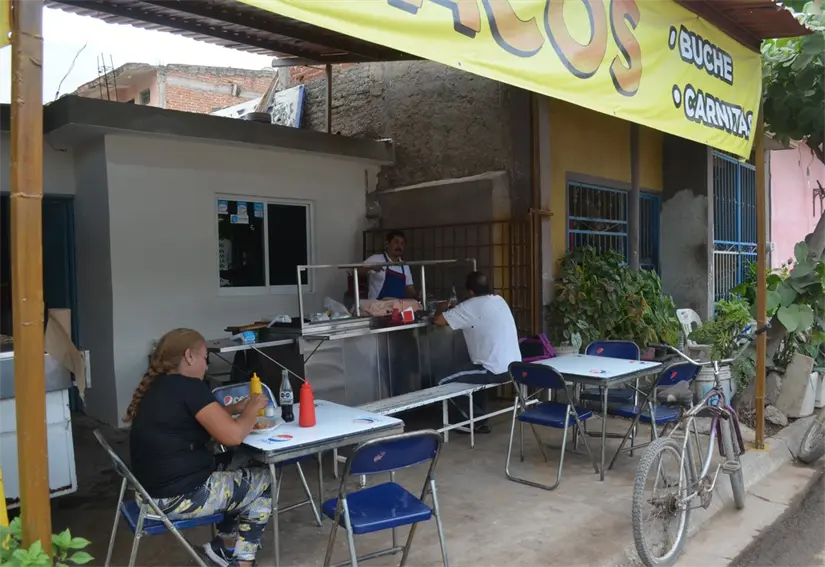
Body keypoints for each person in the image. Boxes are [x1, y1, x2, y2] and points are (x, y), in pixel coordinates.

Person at [125, 328, 271, 567]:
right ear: (189, 356)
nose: (206, 365)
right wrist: (252, 408)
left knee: (244, 461)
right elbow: (233, 436)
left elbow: (199, 418)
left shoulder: (160, 386)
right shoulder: (190, 387)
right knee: (263, 479)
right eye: (205, 358)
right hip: (176, 497)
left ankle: (224, 546)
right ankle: (242, 562)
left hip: (151, 492)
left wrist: (235, 410)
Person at [433, 271, 522, 433]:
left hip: (493, 370)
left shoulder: (468, 307)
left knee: (441, 380)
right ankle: (479, 417)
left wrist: (441, 307)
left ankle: (471, 421)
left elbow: (439, 320)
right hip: (514, 367)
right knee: (472, 370)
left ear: (470, 291)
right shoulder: (499, 300)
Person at [360, 230, 417, 300]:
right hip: (377, 307)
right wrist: (370, 267)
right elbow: (356, 271)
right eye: (396, 242)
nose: (399, 246)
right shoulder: (376, 259)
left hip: (397, 307)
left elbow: (409, 288)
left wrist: (416, 295)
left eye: (402, 244)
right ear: (387, 244)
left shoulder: (405, 266)